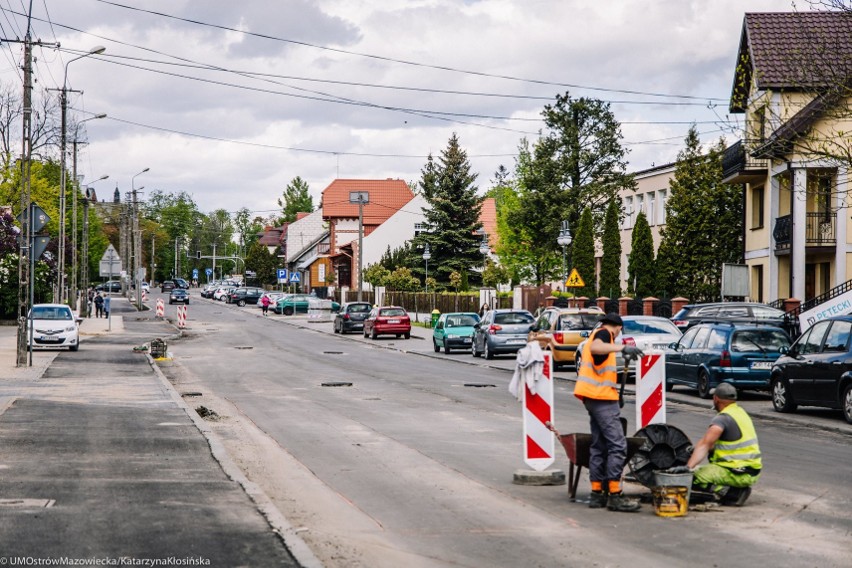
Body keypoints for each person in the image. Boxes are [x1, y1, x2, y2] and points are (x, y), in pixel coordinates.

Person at [573, 313, 645, 512]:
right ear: (618, 328)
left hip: (594, 397)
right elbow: (597, 347)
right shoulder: (604, 334)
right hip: (600, 399)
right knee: (618, 445)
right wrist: (623, 347)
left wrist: (614, 394)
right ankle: (614, 494)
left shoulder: (599, 333)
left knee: (599, 445)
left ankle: (597, 493)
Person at [681, 382, 761, 506]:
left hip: (735, 472)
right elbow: (723, 443)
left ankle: (733, 493)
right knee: (703, 469)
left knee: (692, 478)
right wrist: (695, 449)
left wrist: (687, 468)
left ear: (716, 399)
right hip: (751, 471)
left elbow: (705, 444)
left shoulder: (722, 419)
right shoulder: (740, 413)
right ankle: (733, 489)